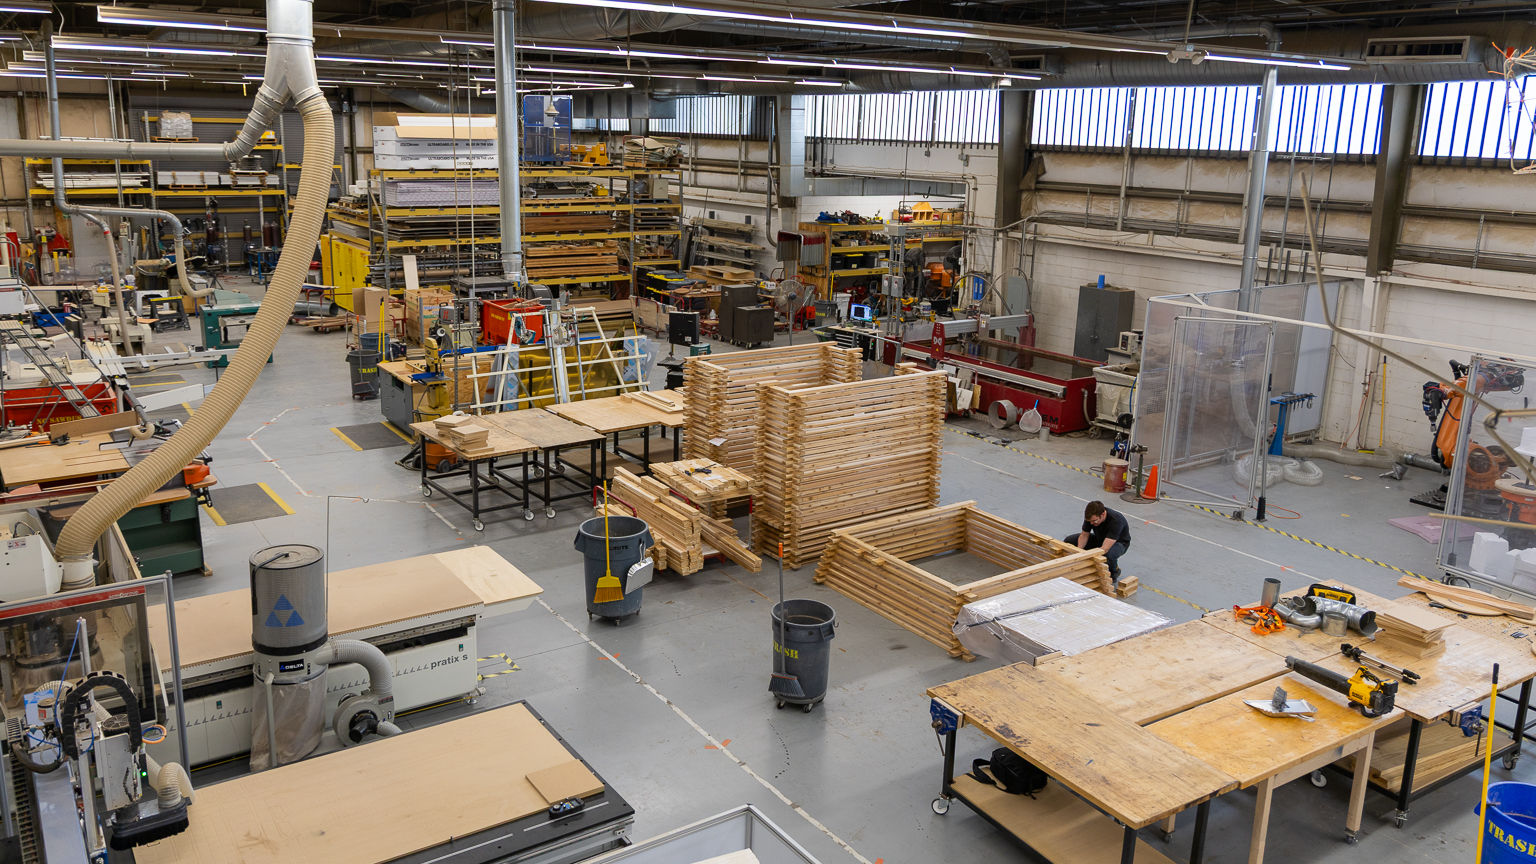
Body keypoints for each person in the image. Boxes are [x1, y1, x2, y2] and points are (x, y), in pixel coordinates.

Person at [1065, 500, 1130, 582]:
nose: (1091, 523)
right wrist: (1078, 551)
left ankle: (1114, 572)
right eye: (1090, 521)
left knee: (1109, 555)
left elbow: (1105, 548)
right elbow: (1084, 535)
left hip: (1118, 543)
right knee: (1069, 541)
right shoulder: (1091, 517)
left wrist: (1086, 556)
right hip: (1100, 538)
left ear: (1103, 514)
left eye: (1095, 521)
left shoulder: (1116, 521)